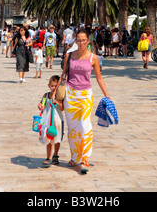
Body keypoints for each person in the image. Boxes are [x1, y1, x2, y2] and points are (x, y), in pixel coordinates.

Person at [53, 28, 111, 174]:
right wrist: (55, 94)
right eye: (78, 40)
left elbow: (98, 77)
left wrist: (106, 95)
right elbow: (64, 74)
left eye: (84, 40)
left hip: (85, 96)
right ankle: (74, 157)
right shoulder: (69, 55)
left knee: (85, 127)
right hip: (71, 96)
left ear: (88, 41)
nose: (81, 43)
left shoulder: (93, 58)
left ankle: (84, 159)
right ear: (75, 40)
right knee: (73, 128)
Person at [38, 75, 64, 167]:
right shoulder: (46, 95)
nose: (53, 88)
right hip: (49, 122)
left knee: (57, 140)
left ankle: (55, 155)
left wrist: (57, 102)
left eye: (55, 86)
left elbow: (62, 108)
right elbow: (43, 104)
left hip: (59, 122)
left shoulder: (60, 96)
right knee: (48, 139)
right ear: (49, 85)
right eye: (52, 86)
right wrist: (40, 105)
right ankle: (48, 157)